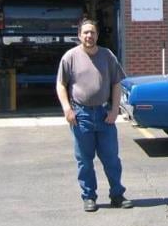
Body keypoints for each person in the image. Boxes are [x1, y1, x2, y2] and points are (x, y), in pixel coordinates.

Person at [56, 18, 133, 212]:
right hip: (81, 116)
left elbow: (116, 84)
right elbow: (61, 85)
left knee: (111, 159)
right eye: (85, 32)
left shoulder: (107, 56)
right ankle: (89, 197)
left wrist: (115, 110)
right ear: (79, 35)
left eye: (92, 32)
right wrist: (67, 109)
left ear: (97, 35)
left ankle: (117, 195)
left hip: (104, 114)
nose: (89, 36)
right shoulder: (70, 57)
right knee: (84, 160)